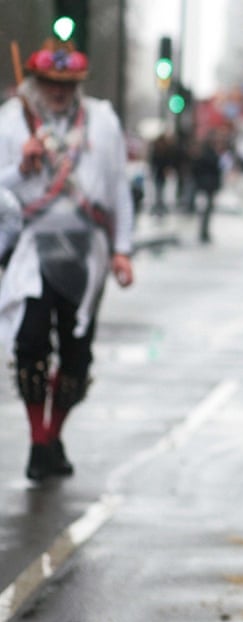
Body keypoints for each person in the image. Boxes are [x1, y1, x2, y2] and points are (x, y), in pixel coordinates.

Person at [0, 38, 135, 481]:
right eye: (49, 82)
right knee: (30, 344)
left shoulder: (102, 121)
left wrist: (122, 249)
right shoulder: (11, 122)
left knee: (76, 356)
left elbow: (118, 187)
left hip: (86, 253)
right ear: (35, 82)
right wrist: (21, 168)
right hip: (33, 250)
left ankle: (53, 436)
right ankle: (39, 442)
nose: (58, 91)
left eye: (67, 83)